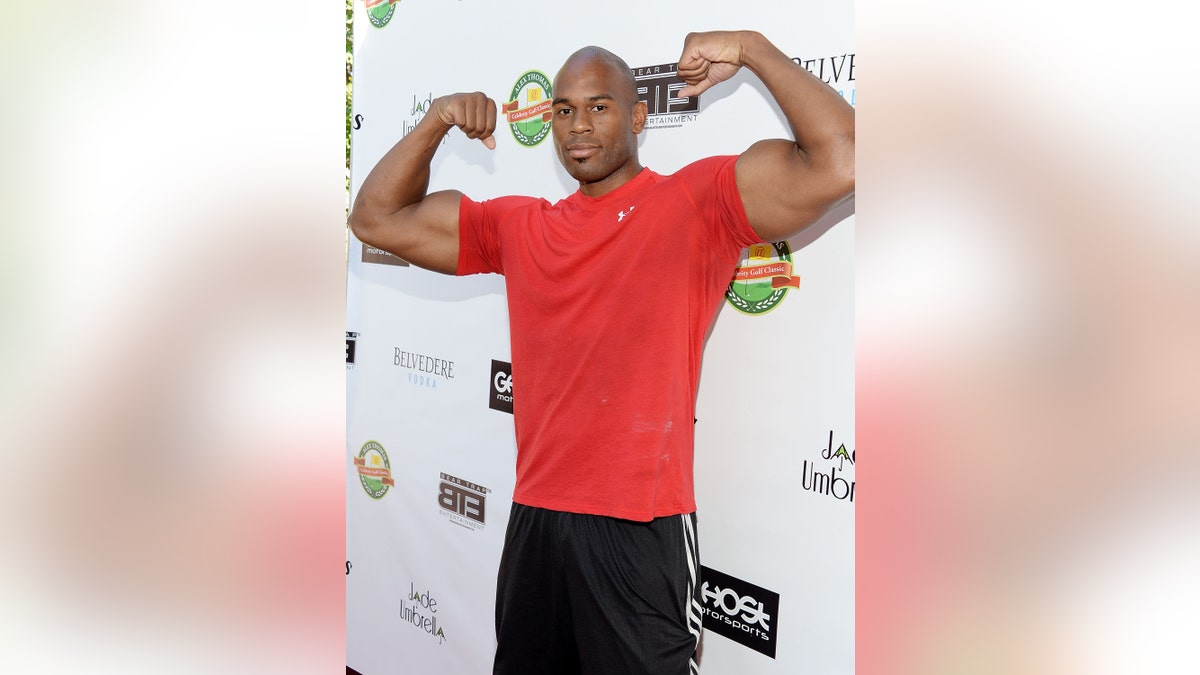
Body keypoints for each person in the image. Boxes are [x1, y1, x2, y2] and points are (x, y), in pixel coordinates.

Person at [350, 29, 854, 675]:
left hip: (640, 532)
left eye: (598, 106)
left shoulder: (697, 202)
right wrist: (436, 119)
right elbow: (375, 218)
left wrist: (754, 48)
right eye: (563, 109)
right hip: (536, 524)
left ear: (640, 115)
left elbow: (844, 158)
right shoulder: (520, 225)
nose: (577, 125)